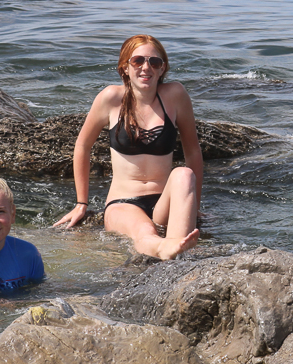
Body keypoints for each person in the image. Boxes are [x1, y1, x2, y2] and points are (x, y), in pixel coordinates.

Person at [53, 35, 203, 259]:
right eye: (138, 61)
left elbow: (193, 152)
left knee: (183, 173)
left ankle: (175, 252)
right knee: (145, 231)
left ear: (162, 69)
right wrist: (81, 203)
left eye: (154, 62)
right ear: (125, 67)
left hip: (164, 202)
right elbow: (82, 146)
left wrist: (193, 205)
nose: (146, 68)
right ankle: (168, 250)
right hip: (123, 203)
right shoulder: (111, 98)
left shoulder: (175, 96)